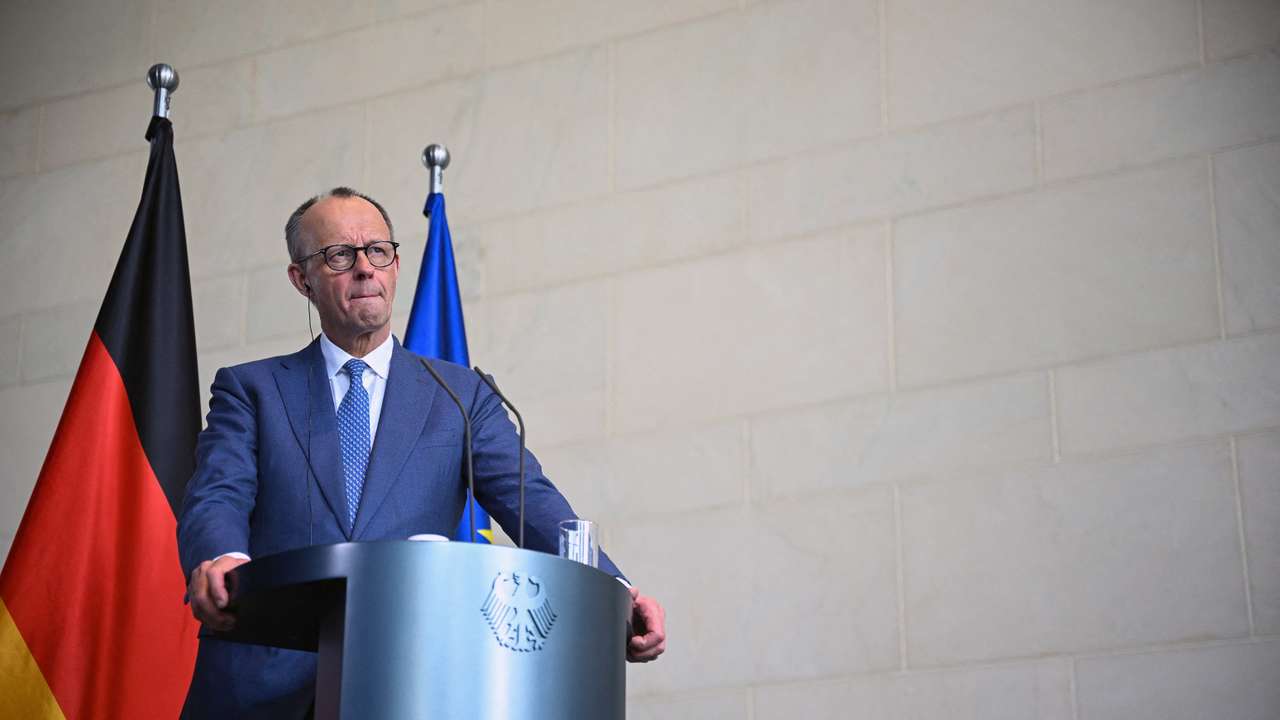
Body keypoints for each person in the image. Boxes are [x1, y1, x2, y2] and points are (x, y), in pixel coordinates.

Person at [178, 187, 665, 718]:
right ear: (302, 279)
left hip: (405, 680)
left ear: (395, 264)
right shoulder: (251, 389)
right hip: (260, 680)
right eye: (339, 255)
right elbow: (218, 494)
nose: (364, 268)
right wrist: (222, 558)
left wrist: (618, 593)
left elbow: (530, 501)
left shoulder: (461, 395)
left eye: (377, 250)